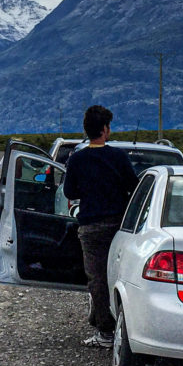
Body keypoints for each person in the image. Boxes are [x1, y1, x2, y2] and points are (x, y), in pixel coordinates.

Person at [63, 104, 139, 348]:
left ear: (87, 130)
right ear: (105, 129)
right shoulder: (118, 157)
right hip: (120, 227)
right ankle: (122, 328)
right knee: (119, 277)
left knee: (96, 278)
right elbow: (134, 187)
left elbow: (69, 191)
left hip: (91, 227)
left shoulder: (77, 159)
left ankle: (105, 332)